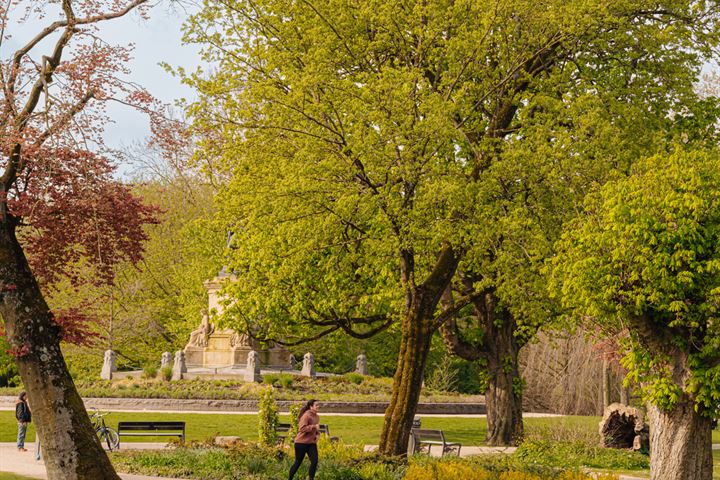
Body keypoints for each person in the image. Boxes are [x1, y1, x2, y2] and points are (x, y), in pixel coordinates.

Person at [288, 399, 320, 480]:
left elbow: (316, 429)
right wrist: (313, 426)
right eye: (316, 405)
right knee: (298, 462)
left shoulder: (317, 416)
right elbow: (302, 428)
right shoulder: (306, 415)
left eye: (318, 405)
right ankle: (290, 478)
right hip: (301, 443)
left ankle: (311, 478)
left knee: (314, 461)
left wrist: (317, 435)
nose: (318, 407)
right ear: (311, 407)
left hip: (311, 443)